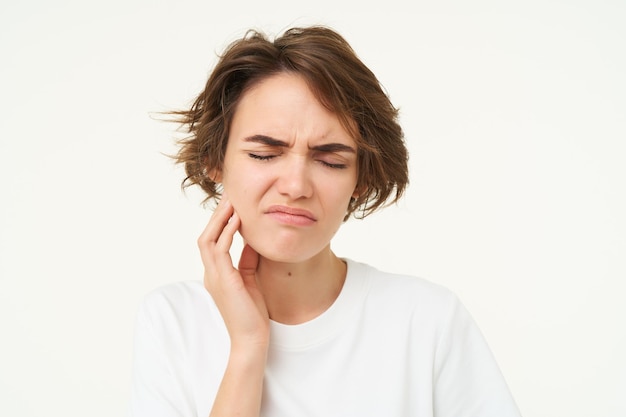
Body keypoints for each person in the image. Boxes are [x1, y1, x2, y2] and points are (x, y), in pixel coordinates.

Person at [129, 26, 522, 417]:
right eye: (264, 154)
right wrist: (248, 347)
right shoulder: (173, 322)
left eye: (331, 161)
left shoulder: (427, 320)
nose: (296, 186)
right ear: (215, 161)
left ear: (361, 179)